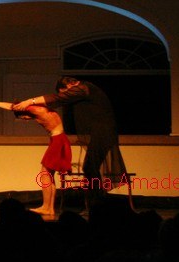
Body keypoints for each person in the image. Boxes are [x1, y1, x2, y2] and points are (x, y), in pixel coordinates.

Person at [12, 76, 128, 207]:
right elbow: (59, 98)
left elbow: (58, 98)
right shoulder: (84, 88)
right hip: (101, 132)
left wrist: (30, 101)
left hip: (103, 132)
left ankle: (98, 203)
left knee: (90, 167)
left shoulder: (83, 88)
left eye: (66, 92)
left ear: (69, 86)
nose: (67, 96)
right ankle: (97, 202)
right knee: (90, 167)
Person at [0, 101, 71, 219]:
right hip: (59, 139)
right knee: (48, 175)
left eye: (23, 118)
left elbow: (12, 106)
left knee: (44, 174)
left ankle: (46, 207)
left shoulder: (35, 109)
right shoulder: (41, 109)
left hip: (58, 140)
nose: (26, 119)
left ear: (23, 111)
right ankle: (50, 208)